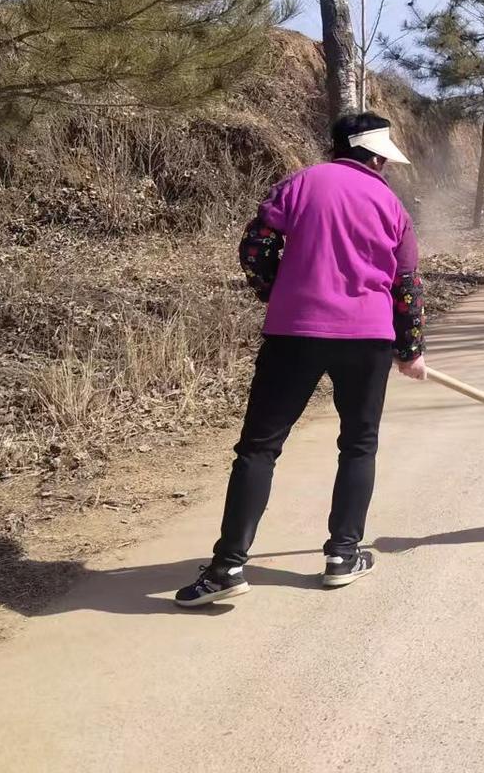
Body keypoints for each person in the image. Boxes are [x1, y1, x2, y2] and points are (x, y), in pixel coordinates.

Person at [175, 113, 427, 607]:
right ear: (375, 156)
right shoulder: (391, 205)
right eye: (385, 158)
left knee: (259, 448)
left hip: (293, 332)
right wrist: (410, 349)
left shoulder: (299, 183)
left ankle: (227, 565)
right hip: (367, 338)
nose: (387, 167)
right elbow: (406, 283)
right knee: (358, 445)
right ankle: (342, 555)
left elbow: (255, 247)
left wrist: (276, 291)